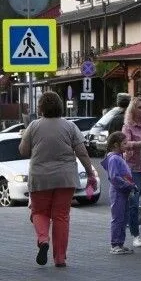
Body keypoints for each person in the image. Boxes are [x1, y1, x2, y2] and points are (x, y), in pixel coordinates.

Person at [18, 91, 98, 267]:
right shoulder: (70, 127)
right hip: (65, 178)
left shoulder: (33, 126)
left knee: (39, 212)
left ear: (40, 108)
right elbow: (82, 152)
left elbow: (23, 151)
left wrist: (26, 137)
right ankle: (60, 258)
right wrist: (90, 173)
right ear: (60, 106)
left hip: (40, 177)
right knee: (61, 216)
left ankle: (43, 240)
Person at [122, 96, 141, 248]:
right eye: (139, 107)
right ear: (133, 109)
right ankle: (135, 235)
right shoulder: (128, 126)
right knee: (134, 203)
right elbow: (125, 144)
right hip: (133, 168)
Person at [101, 132, 137, 255]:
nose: (127, 145)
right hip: (118, 192)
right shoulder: (114, 158)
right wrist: (128, 185)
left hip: (123, 191)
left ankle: (120, 243)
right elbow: (114, 177)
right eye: (124, 143)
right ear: (116, 144)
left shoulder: (118, 156)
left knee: (123, 218)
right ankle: (115, 244)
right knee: (118, 218)